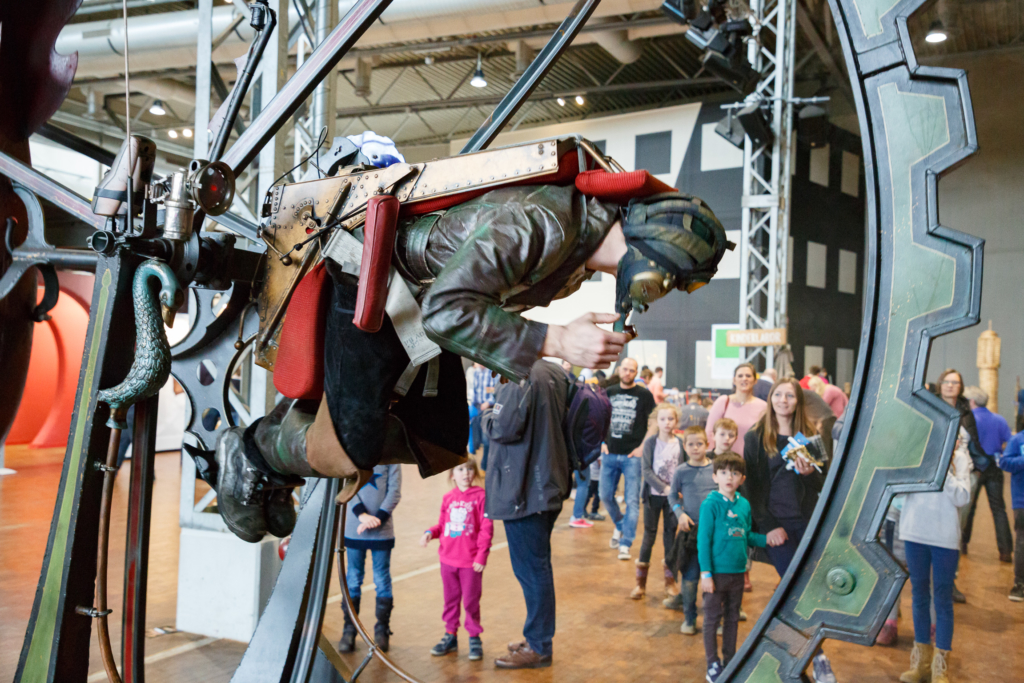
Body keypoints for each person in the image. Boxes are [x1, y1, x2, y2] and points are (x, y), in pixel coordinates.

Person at [212, 183, 729, 542]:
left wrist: (557, 339)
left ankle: (286, 434)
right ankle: (255, 455)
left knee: (440, 438)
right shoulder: (543, 223)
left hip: (412, 304)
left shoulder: (575, 246)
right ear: (655, 269)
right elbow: (447, 311)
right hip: (373, 283)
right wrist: (556, 342)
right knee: (353, 445)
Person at [742, 378, 836, 683]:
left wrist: (809, 474)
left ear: (798, 401)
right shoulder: (757, 438)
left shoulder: (810, 436)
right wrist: (768, 526)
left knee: (803, 595)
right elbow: (752, 488)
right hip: (776, 527)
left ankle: (796, 659)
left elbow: (821, 484)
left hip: (806, 525)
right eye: (778, 395)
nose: (784, 400)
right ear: (771, 400)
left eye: (790, 396)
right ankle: (817, 658)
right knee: (795, 591)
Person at [483, 360, 573, 669]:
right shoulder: (554, 371)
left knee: (532, 571)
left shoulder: (517, 372)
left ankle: (539, 645)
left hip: (524, 489)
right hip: (548, 481)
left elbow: (503, 426)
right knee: (537, 568)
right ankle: (537, 637)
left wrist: (485, 415)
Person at [898, 427, 971, 683]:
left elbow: (962, 497)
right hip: (914, 532)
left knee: (942, 597)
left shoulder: (960, 459)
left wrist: (944, 471)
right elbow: (900, 492)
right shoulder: (916, 455)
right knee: (918, 594)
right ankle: (921, 663)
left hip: (944, 537)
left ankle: (940, 667)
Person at [698, 453, 767, 683]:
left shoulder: (744, 504)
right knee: (711, 619)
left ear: (742, 478)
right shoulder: (710, 504)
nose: (730, 477)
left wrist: (768, 540)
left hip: (737, 573)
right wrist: (706, 573)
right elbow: (703, 540)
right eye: (724, 472)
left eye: (735, 473)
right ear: (715, 476)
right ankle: (712, 664)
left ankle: (730, 660)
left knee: (732, 618)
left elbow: (746, 535)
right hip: (715, 574)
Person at [421, 459, 494, 661]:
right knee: (450, 601)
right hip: (448, 560)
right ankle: (450, 635)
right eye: (461, 469)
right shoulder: (448, 498)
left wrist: (481, 555)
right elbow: (443, 525)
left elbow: (486, 529)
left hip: (471, 562)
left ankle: (474, 637)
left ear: (475, 473)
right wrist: (430, 532)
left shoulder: (481, 497)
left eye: (470, 469)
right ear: (452, 474)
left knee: (471, 601)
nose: (466, 473)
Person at [338, 463, 402, 654]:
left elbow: (395, 491)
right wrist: (363, 516)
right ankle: (349, 628)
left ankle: (382, 629)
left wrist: (377, 519)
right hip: (355, 528)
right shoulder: (355, 454)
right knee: (353, 578)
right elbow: (347, 485)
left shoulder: (392, 460)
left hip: (381, 532)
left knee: (382, 578)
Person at [601, 357, 657, 560]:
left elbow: (654, 421)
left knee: (632, 500)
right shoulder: (609, 392)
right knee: (605, 496)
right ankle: (620, 525)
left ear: (636, 373)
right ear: (619, 370)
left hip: (632, 456)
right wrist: (601, 440)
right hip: (609, 453)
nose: (627, 373)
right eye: (625, 369)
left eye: (632, 370)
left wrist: (643, 447)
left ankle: (625, 543)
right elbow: (598, 416)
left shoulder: (644, 395)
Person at [664, 425, 717, 633]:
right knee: (690, 577)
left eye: (700, 444)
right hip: (690, 532)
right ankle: (689, 618)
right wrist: (680, 513)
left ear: (707, 444)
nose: (695, 448)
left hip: (713, 532)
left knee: (715, 577)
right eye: (691, 444)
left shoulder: (715, 469)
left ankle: (715, 619)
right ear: (684, 447)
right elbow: (672, 496)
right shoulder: (681, 471)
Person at [633, 404, 685, 600]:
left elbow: (684, 468)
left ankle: (670, 582)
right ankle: (640, 583)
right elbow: (646, 470)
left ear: (676, 421)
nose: (666, 423)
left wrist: (678, 491)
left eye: (670, 419)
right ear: (656, 421)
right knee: (649, 535)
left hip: (673, 500)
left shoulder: (680, 443)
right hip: (653, 496)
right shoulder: (650, 444)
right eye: (662, 419)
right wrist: (664, 488)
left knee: (670, 536)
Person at [962, 385, 1013, 562]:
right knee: (999, 509)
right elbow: (1010, 442)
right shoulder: (999, 420)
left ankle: (962, 545)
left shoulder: (968, 420)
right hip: (994, 468)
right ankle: (1005, 551)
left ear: (971, 401)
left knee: (968, 509)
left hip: (973, 469)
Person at [705, 363, 767, 457]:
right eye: (740, 376)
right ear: (734, 380)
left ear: (755, 380)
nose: (744, 378)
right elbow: (709, 432)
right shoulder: (723, 402)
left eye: (748, 376)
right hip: (724, 463)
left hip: (752, 463)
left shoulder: (764, 407)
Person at [999, 428, 1024, 601]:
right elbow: (1005, 463)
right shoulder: (1017, 440)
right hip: (1022, 502)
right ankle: (1020, 584)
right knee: (1022, 542)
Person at [468, 362, 497, 467]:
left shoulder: (493, 374)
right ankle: (472, 456)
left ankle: (485, 463)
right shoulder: (476, 373)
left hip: (488, 408)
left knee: (486, 437)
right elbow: (474, 390)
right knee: (473, 427)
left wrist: (488, 403)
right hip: (477, 406)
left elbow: (495, 391)